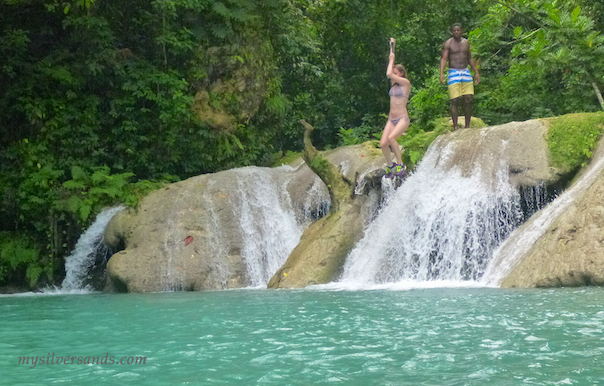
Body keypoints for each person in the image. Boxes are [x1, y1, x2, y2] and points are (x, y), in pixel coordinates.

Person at [440, 23, 480, 131]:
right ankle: (456, 126)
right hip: (453, 72)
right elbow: (444, 59)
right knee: (455, 100)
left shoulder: (466, 43)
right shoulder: (448, 43)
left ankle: (467, 125)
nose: (456, 32)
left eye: (458, 30)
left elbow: (470, 58)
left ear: (462, 31)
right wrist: (442, 73)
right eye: (454, 30)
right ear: (452, 32)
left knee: (468, 98)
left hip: (465, 71)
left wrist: (476, 72)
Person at [381, 38, 411, 178]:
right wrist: (392, 49)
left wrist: (392, 59)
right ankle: (390, 165)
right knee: (383, 144)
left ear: (402, 74)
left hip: (402, 119)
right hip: (391, 119)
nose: (393, 76)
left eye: (396, 73)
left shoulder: (405, 83)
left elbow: (388, 73)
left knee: (392, 138)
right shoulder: (394, 84)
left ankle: (400, 164)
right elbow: (389, 72)